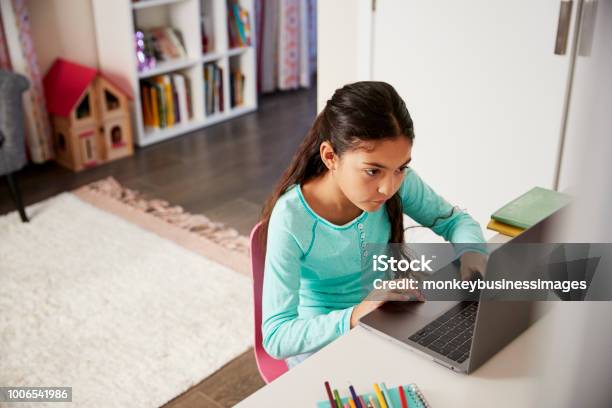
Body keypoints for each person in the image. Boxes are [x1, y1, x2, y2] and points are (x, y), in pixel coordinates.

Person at [259, 81, 487, 369]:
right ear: (331, 157)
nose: (388, 187)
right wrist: (356, 314)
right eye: (372, 171)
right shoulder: (291, 218)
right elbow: (277, 337)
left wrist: (473, 254)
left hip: (388, 324)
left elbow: (456, 220)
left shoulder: (396, 182)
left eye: (400, 168)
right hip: (323, 351)